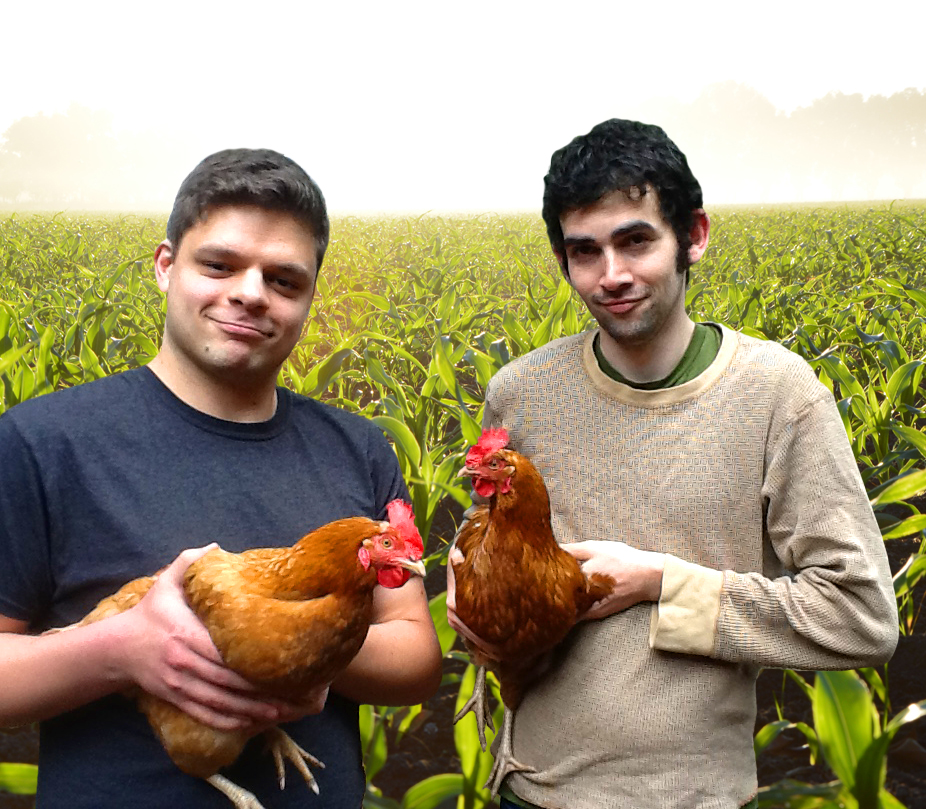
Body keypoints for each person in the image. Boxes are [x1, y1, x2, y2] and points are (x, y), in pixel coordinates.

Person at [448, 119, 898, 809]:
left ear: (694, 235)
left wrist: (665, 583)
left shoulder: (779, 394)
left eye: (635, 241)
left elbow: (861, 613)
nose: (612, 275)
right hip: (533, 791)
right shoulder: (520, 391)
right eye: (584, 251)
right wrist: (470, 597)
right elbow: (496, 544)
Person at [0, 148, 442, 808]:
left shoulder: (357, 446)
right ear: (165, 266)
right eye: (220, 264)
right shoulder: (41, 441)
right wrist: (120, 650)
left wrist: (299, 646)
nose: (251, 292)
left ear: (309, 299)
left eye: (285, 280)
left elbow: (414, 656)